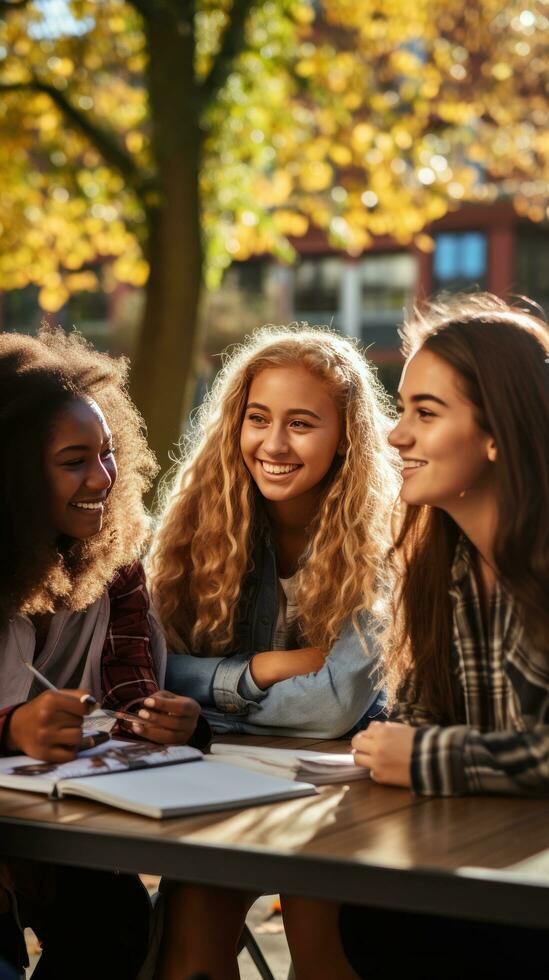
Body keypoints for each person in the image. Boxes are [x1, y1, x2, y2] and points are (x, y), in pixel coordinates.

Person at [148, 326, 399, 979]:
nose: (274, 444)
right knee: (189, 942)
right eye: (258, 419)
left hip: (344, 791)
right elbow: (149, 669)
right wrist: (265, 668)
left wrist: (203, 705)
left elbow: (330, 709)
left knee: (317, 936)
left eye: (302, 423)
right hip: (224, 782)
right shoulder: (197, 528)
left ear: (345, 436)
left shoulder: (386, 540)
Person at [342, 294, 549, 978]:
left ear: (498, 433)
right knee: (370, 914)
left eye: (424, 414)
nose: (395, 435)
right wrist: (391, 744)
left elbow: (426, 747)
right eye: (401, 410)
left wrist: (429, 756)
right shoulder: (439, 566)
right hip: (481, 866)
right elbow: (414, 717)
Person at [0, 327, 206, 980]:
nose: (102, 478)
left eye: (108, 453)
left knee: (117, 918)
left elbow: (128, 693)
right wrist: (12, 728)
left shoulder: (116, 567)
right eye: (73, 460)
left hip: (63, 828)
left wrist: (168, 720)